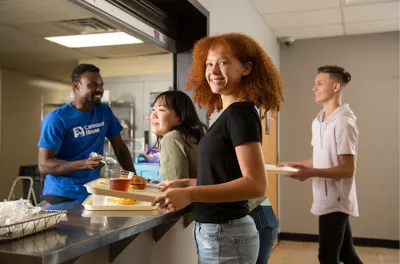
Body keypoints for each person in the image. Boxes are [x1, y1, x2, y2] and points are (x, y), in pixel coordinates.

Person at [153, 33, 284, 264]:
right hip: (219, 232)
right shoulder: (229, 115)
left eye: (223, 62)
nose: (213, 71)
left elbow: (255, 184)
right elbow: (227, 176)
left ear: (246, 68)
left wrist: (191, 194)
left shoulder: (240, 113)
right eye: (209, 64)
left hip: (226, 231)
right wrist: (189, 183)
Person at [278, 65, 363, 264]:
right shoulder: (319, 121)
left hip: (336, 201)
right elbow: (319, 158)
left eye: (319, 83)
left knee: (326, 257)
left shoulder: (344, 122)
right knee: (345, 254)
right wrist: (295, 165)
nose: (314, 88)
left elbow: (347, 169)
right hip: (325, 198)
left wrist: (310, 172)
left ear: (335, 87)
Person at [38, 64, 135, 205]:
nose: (100, 89)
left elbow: (119, 148)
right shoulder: (56, 119)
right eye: (93, 85)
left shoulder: (104, 111)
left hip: (92, 191)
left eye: (101, 84)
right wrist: (85, 163)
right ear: (76, 86)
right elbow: (44, 165)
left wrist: (133, 178)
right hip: (62, 194)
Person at [150, 90, 207, 181]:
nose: (153, 115)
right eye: (153, 110)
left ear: (180, 117)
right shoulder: (191, 137)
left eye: (161, 110)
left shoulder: (171, 138)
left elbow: (175, 187)